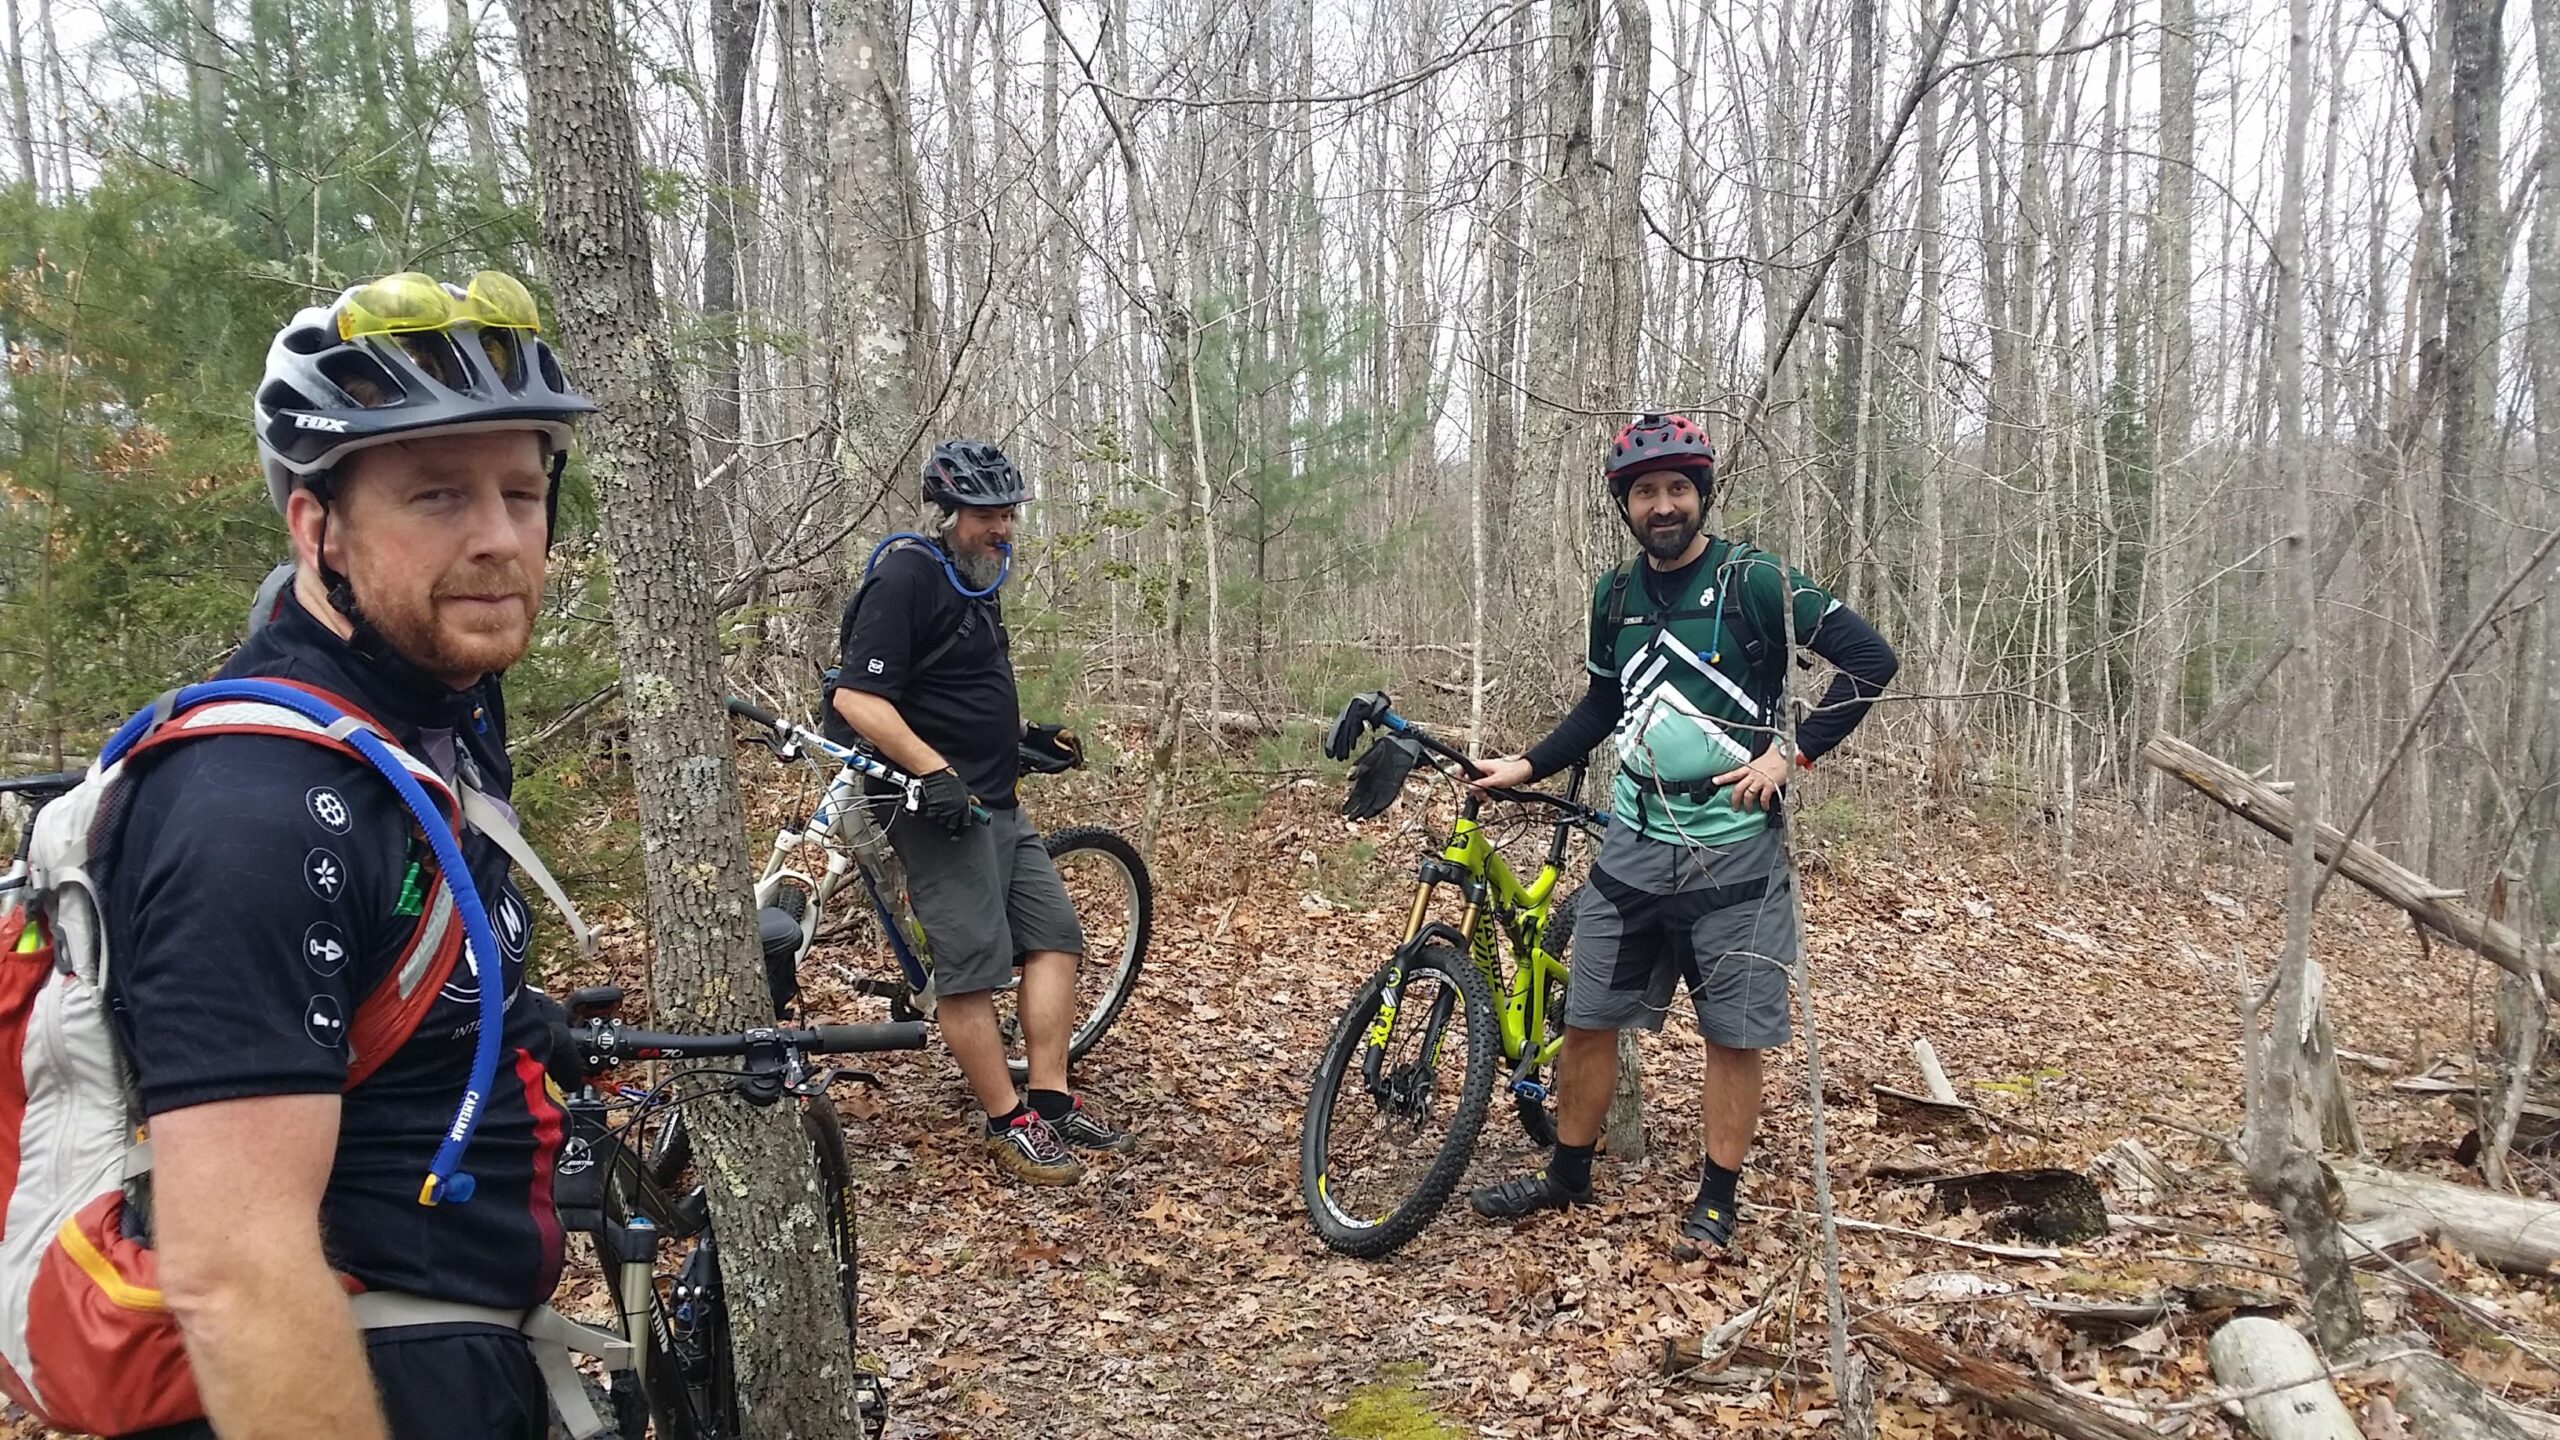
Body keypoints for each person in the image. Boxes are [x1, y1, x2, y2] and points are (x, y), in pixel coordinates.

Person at [105, 270, 592, 1439]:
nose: (496, 540)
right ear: (314, 525)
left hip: (456, 1354)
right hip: (347, 1375)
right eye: (435, 496)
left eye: (521, 494)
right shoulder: (255, 807)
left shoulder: (437, 706)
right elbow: (233, 1270)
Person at [1465, 412, 1898, 1256]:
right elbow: (1604, 702)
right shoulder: (1615, 596)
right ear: (1625, 506)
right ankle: (1567, 1175)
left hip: (1733, 848)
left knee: (1733, 1033)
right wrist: (1528, 764)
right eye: (1645, 493)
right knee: (1589, 1017)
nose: (1663, 506)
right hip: (1631, 843)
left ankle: (1716, 1199)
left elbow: (1870, 660)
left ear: (1701, 494)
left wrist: (1791, 755)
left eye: (1677, 489)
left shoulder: (1757, 581)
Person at [828, 439, 1133, 1184]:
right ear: (951, 513)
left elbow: (956, 686)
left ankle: (1053, 1099)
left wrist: (1024, 740)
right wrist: (932, 770)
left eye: (1008, 514)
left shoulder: (976, 580)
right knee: (970, 973)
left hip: (995, 799)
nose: (1002, 528)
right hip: (930, 805)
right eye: (988, 515)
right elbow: (856, 698)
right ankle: (1007, 1121)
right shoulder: (905, 576)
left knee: (1055, 939)